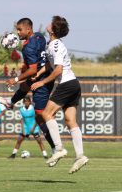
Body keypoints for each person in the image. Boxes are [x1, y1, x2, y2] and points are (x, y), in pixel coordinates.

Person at [31, 16, 89, 173]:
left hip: (66, 84)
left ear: (53, 29)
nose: (48, 24)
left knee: (46, 114)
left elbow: (58, 70)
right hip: (74, 84)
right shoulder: (52, 44)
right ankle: (80, 156)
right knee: (70, 121)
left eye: (51, 23)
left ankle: (58, 148)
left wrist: (42, 83)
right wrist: (38, 74)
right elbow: (50, 66)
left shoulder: (55, 44)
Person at [5, 17, 56, 153]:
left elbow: (32, 69)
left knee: (40, 117)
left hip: (41, 81)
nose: (18, 32)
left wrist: (15, 79)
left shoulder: (28, 48)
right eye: (17, 30)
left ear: (28, 29)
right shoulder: (39, 36)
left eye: (20, 29)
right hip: (46, 74)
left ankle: (55, 147)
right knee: (24, 87)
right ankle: (10, 102)